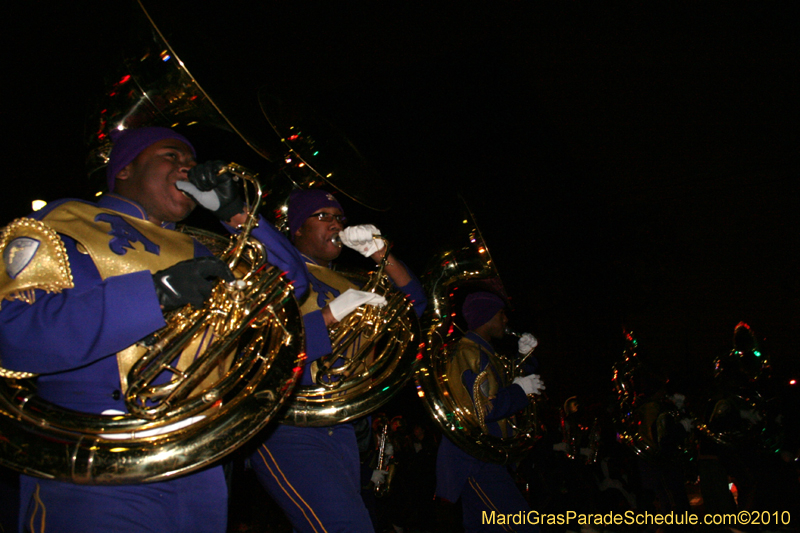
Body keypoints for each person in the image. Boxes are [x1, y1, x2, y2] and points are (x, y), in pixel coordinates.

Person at [0, 126, 308, 533]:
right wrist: (154, 294)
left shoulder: (206, 248)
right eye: (171, 157)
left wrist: (236, 217)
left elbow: (291, 288)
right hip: (96, 456)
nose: (188, 167)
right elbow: (12, 337)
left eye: (191, 162)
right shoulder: (65, 220)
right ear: (125, 169)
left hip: (197, 464)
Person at [246, 188, 427, 533]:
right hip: (288, 422)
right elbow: (259, 345)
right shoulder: (274, 271)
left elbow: (414, 309)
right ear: (297, 229)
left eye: (339, 217)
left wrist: (381, 255)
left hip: (344, 425)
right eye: (323, 216)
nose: (336, 223)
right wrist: (329, 316)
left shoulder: (352, 279)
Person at [435, 291, 544, 533]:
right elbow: (479, 408)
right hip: (475, 462)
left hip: (485, 458)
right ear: (486, 316)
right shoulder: (467, 353)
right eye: (501, 313)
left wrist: (524, 358)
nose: (505, 320)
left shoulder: (485, 353)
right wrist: (519, 391)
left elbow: (504, 388)